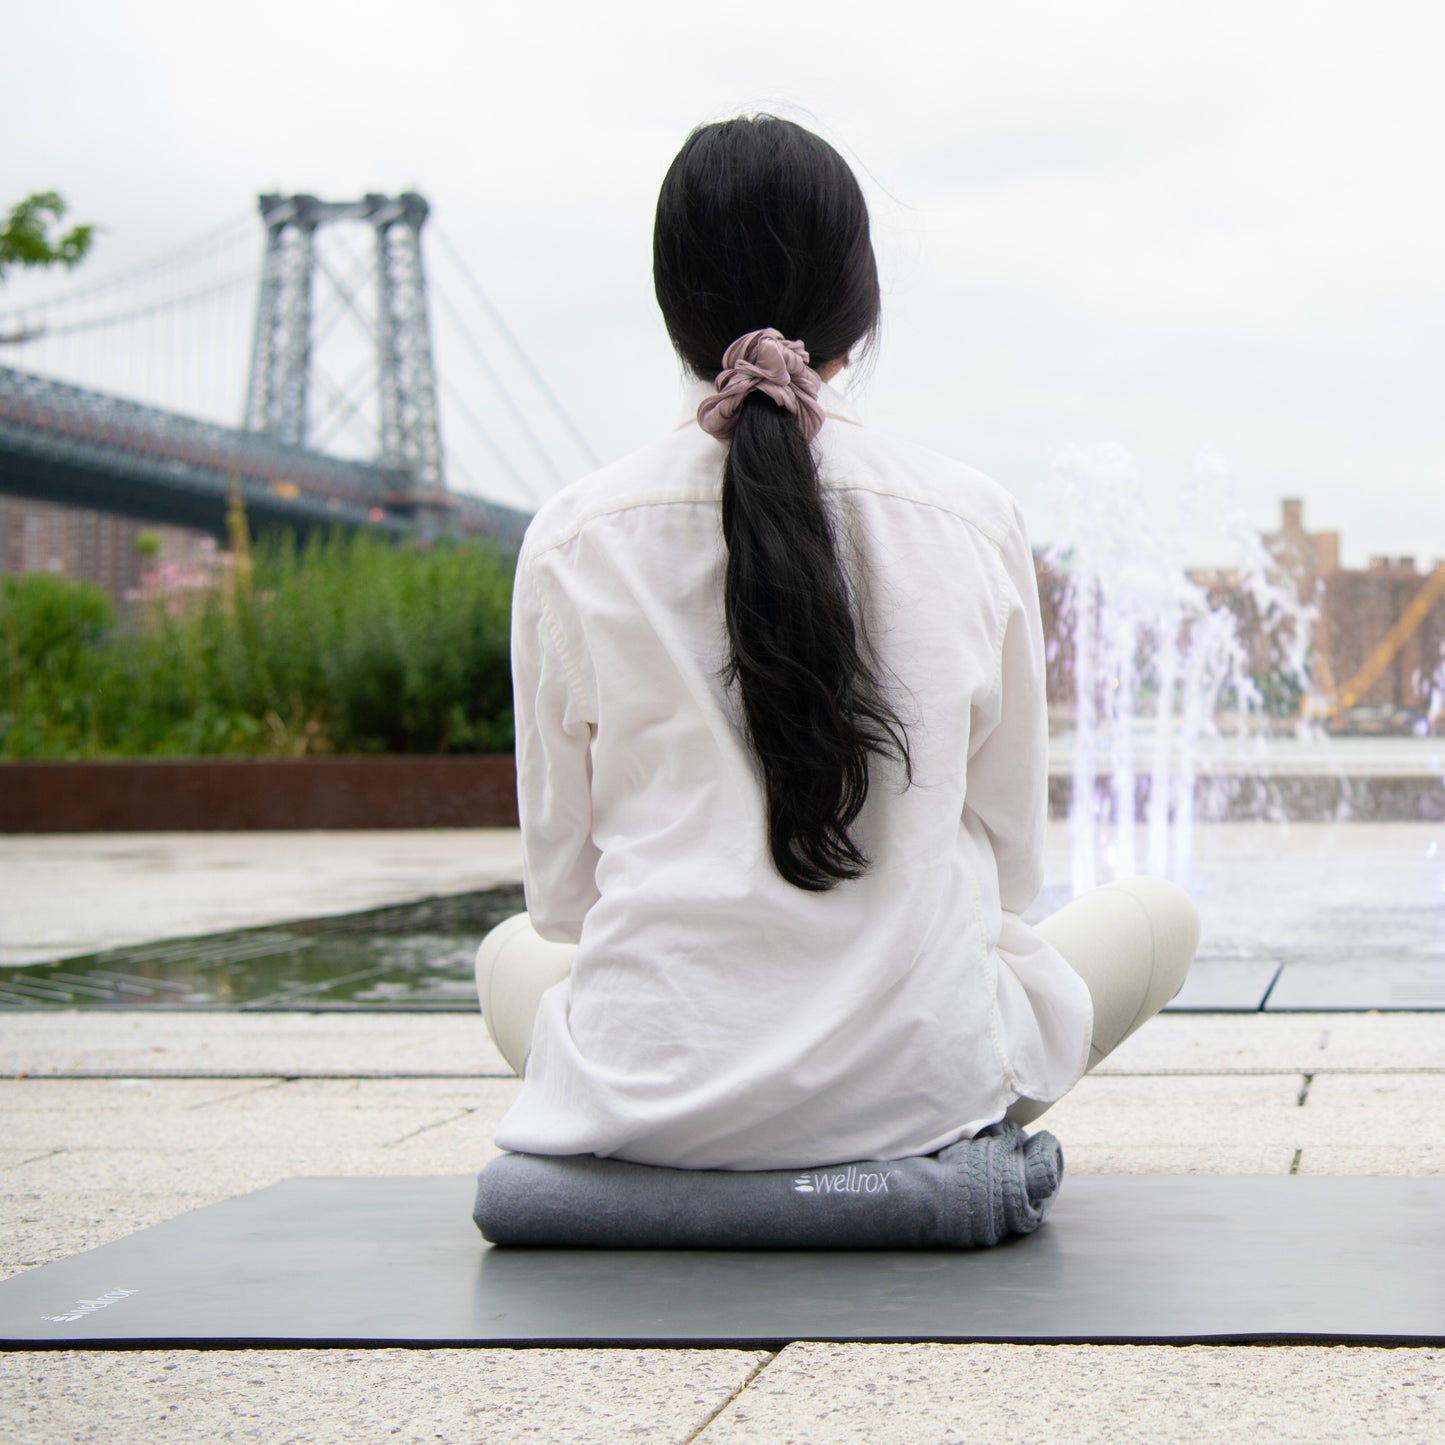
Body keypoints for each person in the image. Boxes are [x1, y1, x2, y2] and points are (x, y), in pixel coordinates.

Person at [477, 115, 1199, 1172]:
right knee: (1155, 912)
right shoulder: (970, 515)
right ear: (858, 309)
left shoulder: (574, 535)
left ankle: (676, 1112)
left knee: (508, 954)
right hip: (918, 1096)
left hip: (646, 1097)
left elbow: (562, 901)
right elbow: (1006, 875)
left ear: (673, 308)